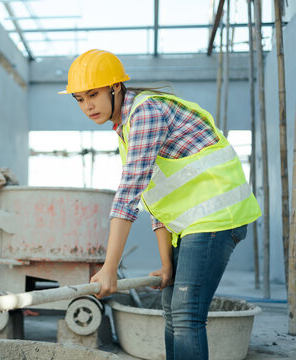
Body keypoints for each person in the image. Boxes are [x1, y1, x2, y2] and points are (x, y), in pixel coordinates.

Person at [59, 49, 261, 360]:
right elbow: (156, 197)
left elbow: (128, 196)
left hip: (218, 217)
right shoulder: (126, 128)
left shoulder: (146, 114)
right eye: (79, 99)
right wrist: (167, 263)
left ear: (116, 88)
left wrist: (109, 268)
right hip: (192, 224)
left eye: (93, 94)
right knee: (172, 310)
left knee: (186, 314)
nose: (87, 106)